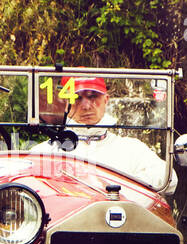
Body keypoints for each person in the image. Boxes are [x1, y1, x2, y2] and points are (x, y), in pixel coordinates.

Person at [30, 76, 176, 194]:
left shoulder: (131, 149)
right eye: (77, 98)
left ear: (106, 100)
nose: (86, 106)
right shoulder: (44, 153)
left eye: (93, 97)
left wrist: (120, 189)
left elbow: (169, 180)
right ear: (66, 103)